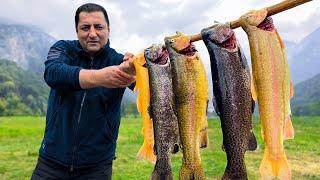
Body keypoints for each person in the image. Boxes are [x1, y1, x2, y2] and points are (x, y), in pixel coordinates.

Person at [31, 3, 136, 180]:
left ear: (108, 30)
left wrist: (137, 71)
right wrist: (100, 77)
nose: (92, 34)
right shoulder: (63, 48)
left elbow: (151, 87)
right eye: (85, 27)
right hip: (50, 162)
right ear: (77, 30)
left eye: (99, 27)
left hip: (97, 167)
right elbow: (53, 73)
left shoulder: (119, 62)